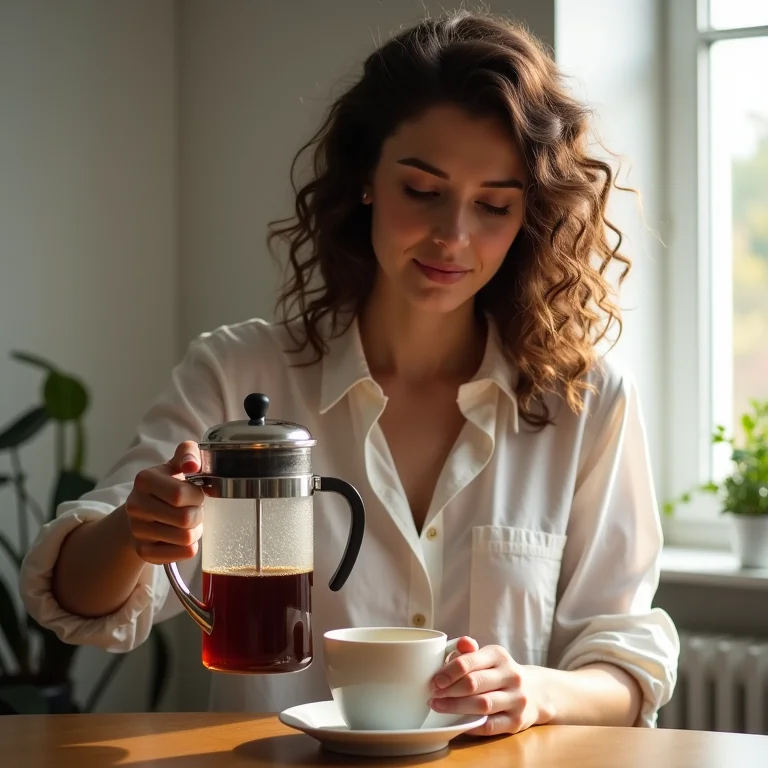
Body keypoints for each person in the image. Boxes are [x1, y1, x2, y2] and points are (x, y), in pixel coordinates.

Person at [20, 10, 678, 735]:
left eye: (493, 205)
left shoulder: (585, 403)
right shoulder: (235, 370)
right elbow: (77, 602)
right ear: (366, 177)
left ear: (527, 216)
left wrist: (535, 692)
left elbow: (625, 659)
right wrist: (134, 531)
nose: (453, 237)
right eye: (422, 191)